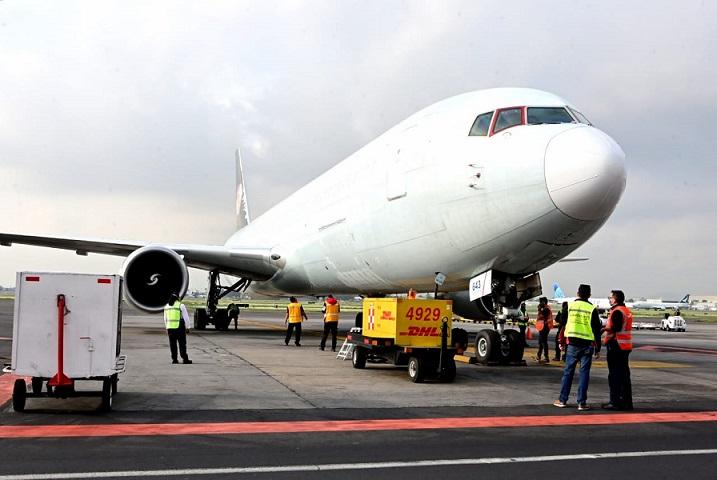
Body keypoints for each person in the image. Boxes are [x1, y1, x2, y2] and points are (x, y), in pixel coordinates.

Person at [553, 284, 601, 411]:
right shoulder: (592, 309)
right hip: (587, 344)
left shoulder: (569, 306)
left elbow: (561, 323)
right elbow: (597, 330)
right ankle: (582, 402)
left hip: (572, 344)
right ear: (589, 295)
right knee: (584, 373)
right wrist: (598, 348)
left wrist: (561, 342)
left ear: (577, 293)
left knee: (568, 372)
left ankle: (563, 399)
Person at [601, 290, 633, 410]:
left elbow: (616, 328)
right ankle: (626, 402)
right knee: (624, 376)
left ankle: (615, 402)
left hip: (616, 346)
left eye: (610, 297)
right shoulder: (626, 311)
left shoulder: (617, 311)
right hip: (625, 346)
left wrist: (604, 329)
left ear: (615, 299)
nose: (609, 299)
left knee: (614, 376)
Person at [163, 292, 192, 364]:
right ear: (177, 298)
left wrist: (167, 327)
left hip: (170, 328)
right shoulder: (181, 305)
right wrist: (188, 327)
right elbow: (186, 318)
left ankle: (174, 359)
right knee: (182, 344)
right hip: (179, 327)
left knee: (172, 345)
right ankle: (185, 359)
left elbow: (165, 319)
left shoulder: (166, 306)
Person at [535, 297, 553, 363]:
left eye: (540, 302)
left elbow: (542, 316)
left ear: (544, 302)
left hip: (545, 327)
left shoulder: (546, 309)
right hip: (543, 326)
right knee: (541, 342)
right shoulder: (546, 308)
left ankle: (546, 357)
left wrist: (540, 310)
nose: (539, 303)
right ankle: (539, 355)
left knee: (543, 342)